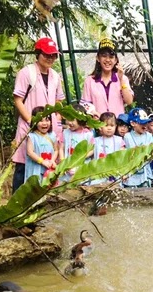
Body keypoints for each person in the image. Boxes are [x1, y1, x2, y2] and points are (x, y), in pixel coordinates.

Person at [12, 37, 65, 192]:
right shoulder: (26, 73)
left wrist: (58, 120)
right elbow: (18, 100)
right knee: (23, 165)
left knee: (48, 167)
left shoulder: (55, 75)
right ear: (38, 53)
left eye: (53, 55)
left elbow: (58, 101)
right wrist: (31, 120)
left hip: (49, 129)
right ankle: (16, 204)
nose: (50, 58)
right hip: (29, 128)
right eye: (46, 54)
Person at [80, 38, 133, 116]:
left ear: (115, 60)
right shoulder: (90, 80)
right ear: (98, 58)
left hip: (117, 124)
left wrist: (121, 80)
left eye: (111, 57)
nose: (108, 60)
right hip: (98, 125)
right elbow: (85, 104)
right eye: (104, 56)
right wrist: (93, 113)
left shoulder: (122, 78)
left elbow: (129, 101)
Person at [59, 103, 95, 183]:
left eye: (73, 120)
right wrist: (62, 162)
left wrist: (83, 156)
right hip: (67, 167)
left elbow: (92, 149)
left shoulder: (87, 134)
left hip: (82, 167)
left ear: (80, 119)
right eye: (68, 119)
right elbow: (61, 148)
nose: (70, 122)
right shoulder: (65, 133)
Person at [24, 106, 58, 184]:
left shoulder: (52, 135)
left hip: (49, 167)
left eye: (47, 120)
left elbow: (56, 149)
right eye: (41, 121)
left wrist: (52, 160)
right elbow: (30, 152)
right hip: (36, 168)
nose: (44, 123)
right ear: (34, 122)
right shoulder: (32, 136)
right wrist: (42, 161)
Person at [123, 108, 153, 188]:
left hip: (145, 173)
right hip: (131, 173)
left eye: (146, 123)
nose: (144, 125)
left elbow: (151, 152)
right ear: (133, 123)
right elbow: (127, 155)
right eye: (141, 123)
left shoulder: (149, 136)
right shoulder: (127, 136)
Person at [92, 112, 125, 185]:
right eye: (106, 125)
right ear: (100, 127)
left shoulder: (119, 140)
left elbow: (123, 157)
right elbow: (89, 153)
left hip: (114, 172)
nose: (109, 128)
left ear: (116, 126)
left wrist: (124, 172)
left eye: (112, 125)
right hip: (99, 173)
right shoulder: (96, 141)